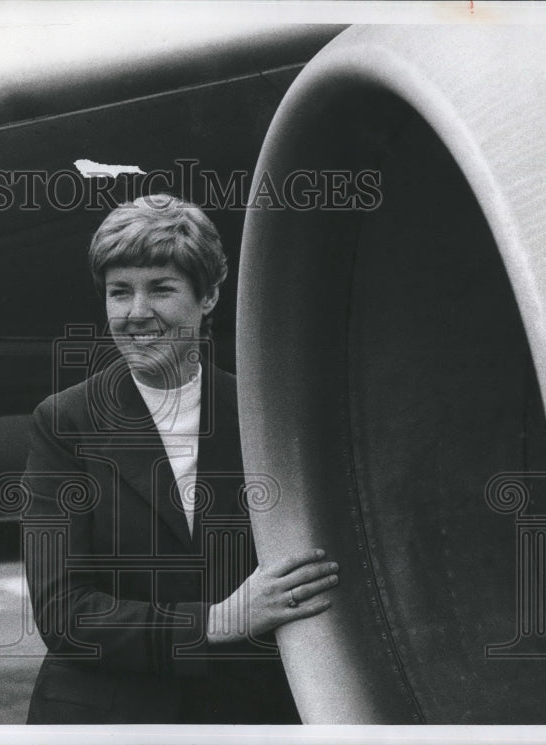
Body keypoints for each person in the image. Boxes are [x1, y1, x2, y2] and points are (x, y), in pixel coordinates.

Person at [21, 194, 338, 724]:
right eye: (120, 292)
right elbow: (63, 614)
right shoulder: (64, 422)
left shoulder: (265, 412)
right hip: (108, 719)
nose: (136, 313)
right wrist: (215, 622)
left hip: (245, 715)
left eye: (161, 289)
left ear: (208, 295)